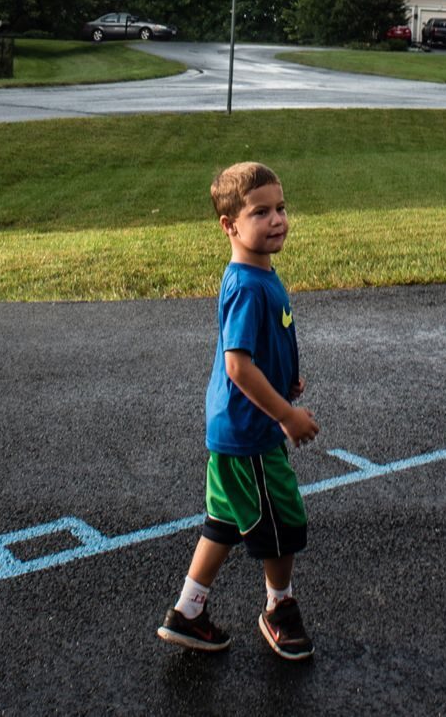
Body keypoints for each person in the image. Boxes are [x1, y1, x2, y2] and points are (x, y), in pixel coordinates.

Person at [156, 161, 319, 662]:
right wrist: (286, 415)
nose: (277, 220)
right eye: (261, 212)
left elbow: (264, 347)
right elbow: (238, 367)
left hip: (235, 428)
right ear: (229, 225)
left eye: (281, 208)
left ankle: (187, 611)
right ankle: (278, 609)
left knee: (224, 522)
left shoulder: (259, 274)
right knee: (282, 523)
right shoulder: (248, 285)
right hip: (251, 434)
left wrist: (287, 374)